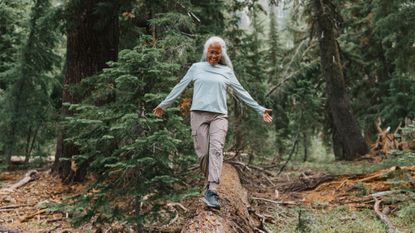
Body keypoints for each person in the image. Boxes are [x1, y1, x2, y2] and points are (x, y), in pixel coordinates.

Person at [153, 36, 272, 209]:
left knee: (216, 149)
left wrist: (259, 109)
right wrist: (164, 104)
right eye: (211, 52)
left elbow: (242, 92)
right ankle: (209, 181)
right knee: (203, 153)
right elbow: (180, 86)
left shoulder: (226, 72)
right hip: (198, 114)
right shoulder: (196, 68)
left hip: (219, 117)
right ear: (206, 52)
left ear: (221, 53)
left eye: (217, 53)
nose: (214, 56)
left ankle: (212, 190)